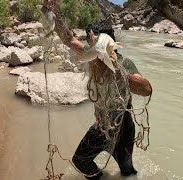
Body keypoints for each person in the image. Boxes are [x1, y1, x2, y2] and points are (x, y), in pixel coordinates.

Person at [42, 1, 152, 179]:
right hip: (101, 126)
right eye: (89, 42)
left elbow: (146, 89)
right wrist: (53, 11)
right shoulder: (89, 55)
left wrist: (117, 69)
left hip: (122, 128)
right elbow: (68, 39)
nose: (90, 46)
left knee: (127, 171)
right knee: (80, 161)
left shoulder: (125, 63)